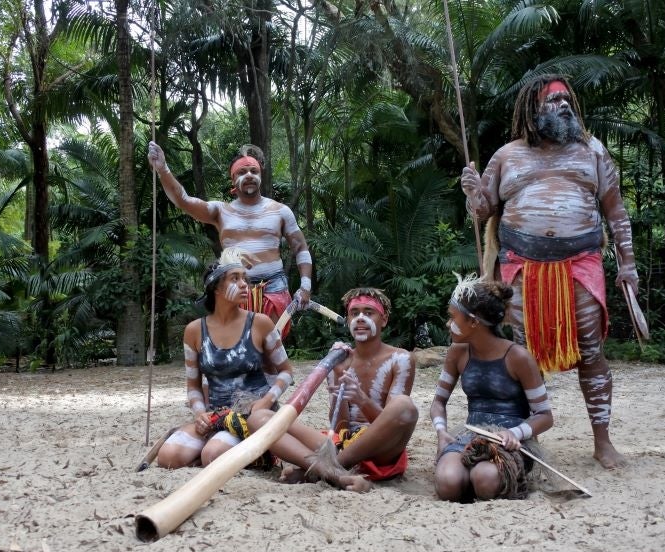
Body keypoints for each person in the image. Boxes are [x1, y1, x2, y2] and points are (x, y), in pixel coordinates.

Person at [460, 74, 637, 469]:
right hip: (523, 269)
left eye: (566, 99)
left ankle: (602, 441)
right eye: (551, 100)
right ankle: (530, 440)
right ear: (530, 111)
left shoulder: (593, 151)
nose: (562, 105)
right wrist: (474, 191)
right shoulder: (506, 156)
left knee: (592, 351)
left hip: (581, 265)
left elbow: (616, 211)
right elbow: (484, 209)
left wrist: (628, 265)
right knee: (525, 354)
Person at [248, 287, 418, 492]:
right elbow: (339, 428)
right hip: (342, 444)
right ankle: (334, 474)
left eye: (369, 312)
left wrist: (361, 400)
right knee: (259, 418)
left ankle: (321, 469)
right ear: (347, 320)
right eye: (355, 313)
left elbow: (394, 422)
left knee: (404, 406)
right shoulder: (340, 360)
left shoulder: (401, 359)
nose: (361, 318)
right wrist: (337, 375)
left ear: (384, 320)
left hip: (380, 448)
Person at [147, 141, 312, 334]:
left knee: (271, 349)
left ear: (260, 176)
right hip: (235, 288)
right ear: (233, 180)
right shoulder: (221, 211)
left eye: (253, 171)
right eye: (242, 172)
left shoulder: (281, 211)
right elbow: (183, 200)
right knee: (237, 348)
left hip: (274, 287)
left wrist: (305, 286)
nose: (249, 175)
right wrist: (163, 169)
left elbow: (301, 248)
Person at [156, 248, 294, 469]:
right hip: (214, 415)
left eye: (245, 279)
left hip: (252, 415)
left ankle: (257, 452)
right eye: (235, 278)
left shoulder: (260, 323)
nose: (244, 285)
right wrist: (200, 414)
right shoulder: (194, 331)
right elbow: (193, 386)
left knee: (213, 454)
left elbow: (287, 372)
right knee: (168, 457)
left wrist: (266, 401)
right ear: (216, 289)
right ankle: (223, 450)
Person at [431, 275, 553, 502]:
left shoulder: (518, 357)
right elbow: (439, 402)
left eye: (453, 317)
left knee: (484, 479)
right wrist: (441, 432)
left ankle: (494, 477)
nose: (449, 323)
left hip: (511, 442)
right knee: (448, 483)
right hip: (471, 435)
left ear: (474, 322)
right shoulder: (457, 353)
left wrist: (514, 433)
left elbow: (545, 416)